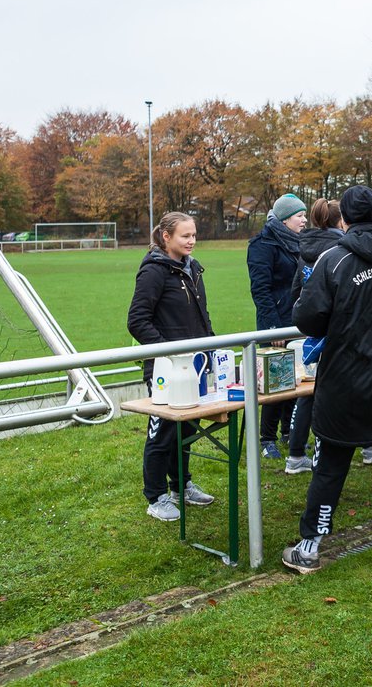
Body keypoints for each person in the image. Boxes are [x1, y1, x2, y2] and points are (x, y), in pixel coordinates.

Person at [282, 185, 372, 580]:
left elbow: (309, 319)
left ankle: (310, 547)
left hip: (346, 382)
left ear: (344, 219)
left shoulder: (333, 259)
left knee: (330, 465)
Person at [127, 212, 216, 522]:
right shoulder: (154, 271)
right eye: (184, 236)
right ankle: (155, 496)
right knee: (162, 432)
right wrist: (170, 353)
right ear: (166, 237)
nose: (191, 240)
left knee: (187, 428)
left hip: (194, 366)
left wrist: (210, 347)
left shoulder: (191, 268)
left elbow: (201, 317)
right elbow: (137, 321)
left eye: (194, 234)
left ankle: (181, 486)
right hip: (166, 371)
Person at [282, 198, 346, 475]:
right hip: (337, 331)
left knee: (308, 393)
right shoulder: (341, 249)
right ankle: (366, 449)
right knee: (338, 393)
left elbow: (297, 293)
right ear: (340, 221)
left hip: (313, 330)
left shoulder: (304, 247)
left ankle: (296, 455)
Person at [247, 193, 307, 460]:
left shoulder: (298, 242)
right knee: (274, 385)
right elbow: (260, 290)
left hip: (296, 321)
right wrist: (272, 328)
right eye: (299, 216)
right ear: (284, 220)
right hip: (275, 323)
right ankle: (266, 438)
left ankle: (288, 432)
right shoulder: (262, 245)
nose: (305, 220)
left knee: (295, 380)